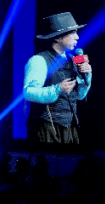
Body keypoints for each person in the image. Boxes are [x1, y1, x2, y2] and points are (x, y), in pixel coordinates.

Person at [24, 12, 93, 145]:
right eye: (72, 33)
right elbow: (29, 92)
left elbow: (79, 96)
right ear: (58, 37)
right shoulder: (39, 60)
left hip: (70, 127)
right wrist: (57, 89)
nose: (77, 37)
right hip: (46, 127)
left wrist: (87, 76)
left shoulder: (73, 60)